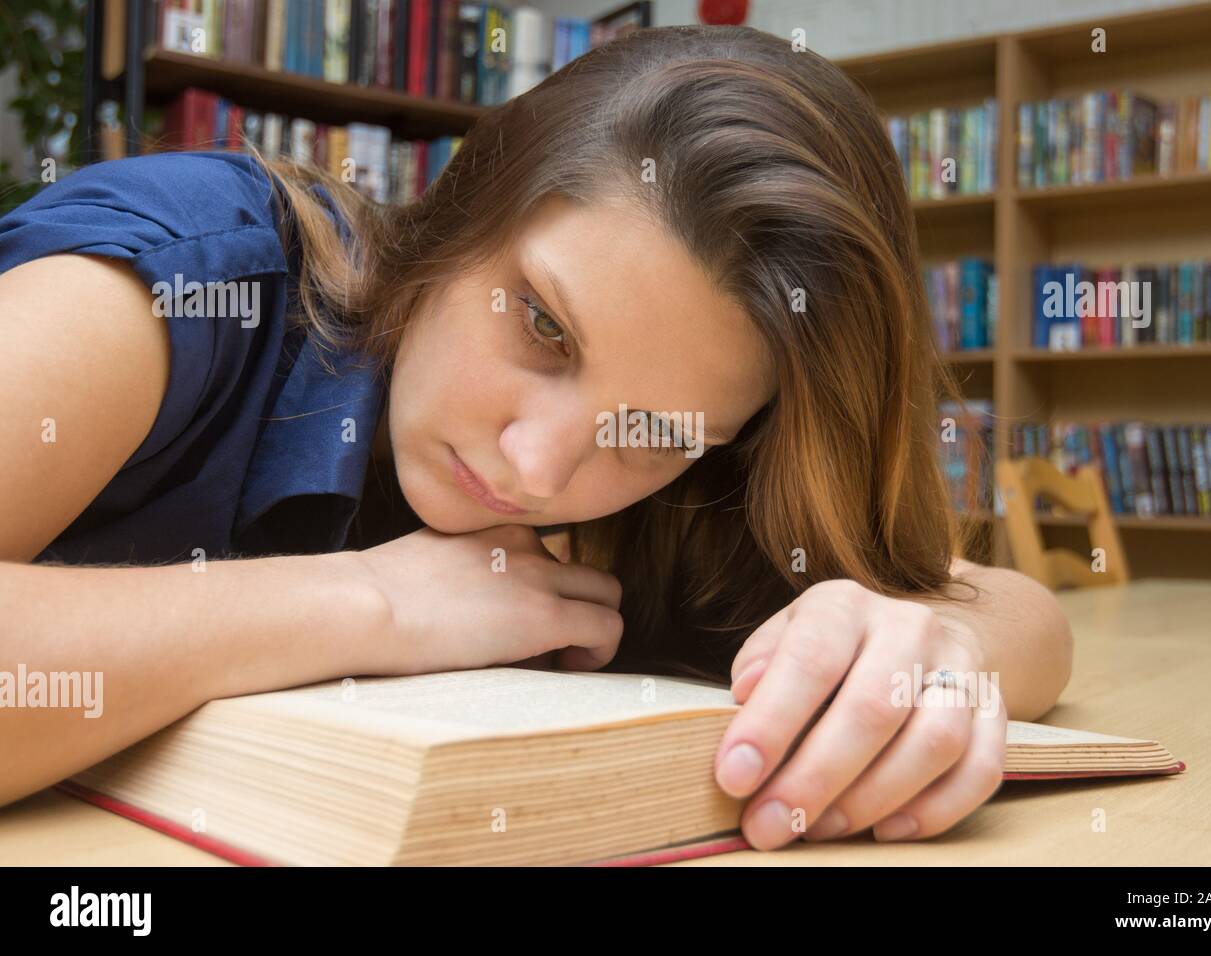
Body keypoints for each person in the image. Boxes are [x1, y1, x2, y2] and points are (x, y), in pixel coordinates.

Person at [0, 25, 1071, 851]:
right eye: (545, 324)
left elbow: (1007, 612)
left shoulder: (680, 495)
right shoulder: (185, 275)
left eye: (655, 431)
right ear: (470, 199)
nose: (539, 466)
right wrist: (372, 603)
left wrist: (941, 648)